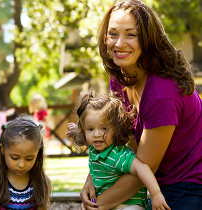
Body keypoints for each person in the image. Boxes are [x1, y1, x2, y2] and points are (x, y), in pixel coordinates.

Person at [73, 0, 202, 209]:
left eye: (131, 35)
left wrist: (97, 205)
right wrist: (92, 180)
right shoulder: (121, 76)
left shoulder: (163, 92)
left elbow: (145, 166)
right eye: (113, 34)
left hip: (189, 183)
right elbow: (123, 139)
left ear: (147, 40)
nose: (119, 43)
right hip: (155, 181)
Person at [67, 91, 170, 210]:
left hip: (129, 205)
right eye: (90, 129)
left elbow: (142, 168)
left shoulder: (117, 155)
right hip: (110, 205)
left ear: (116, 129)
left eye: (104, 128)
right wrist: (76, 131)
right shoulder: (95, 148)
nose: (96, 135)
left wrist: (156, 194)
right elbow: (86, 137)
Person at [0, 114, 52, 210]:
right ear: (2, 149)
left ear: (38, 154)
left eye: (29, 159)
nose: (21, 165)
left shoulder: (42, 182)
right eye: (14, 158)